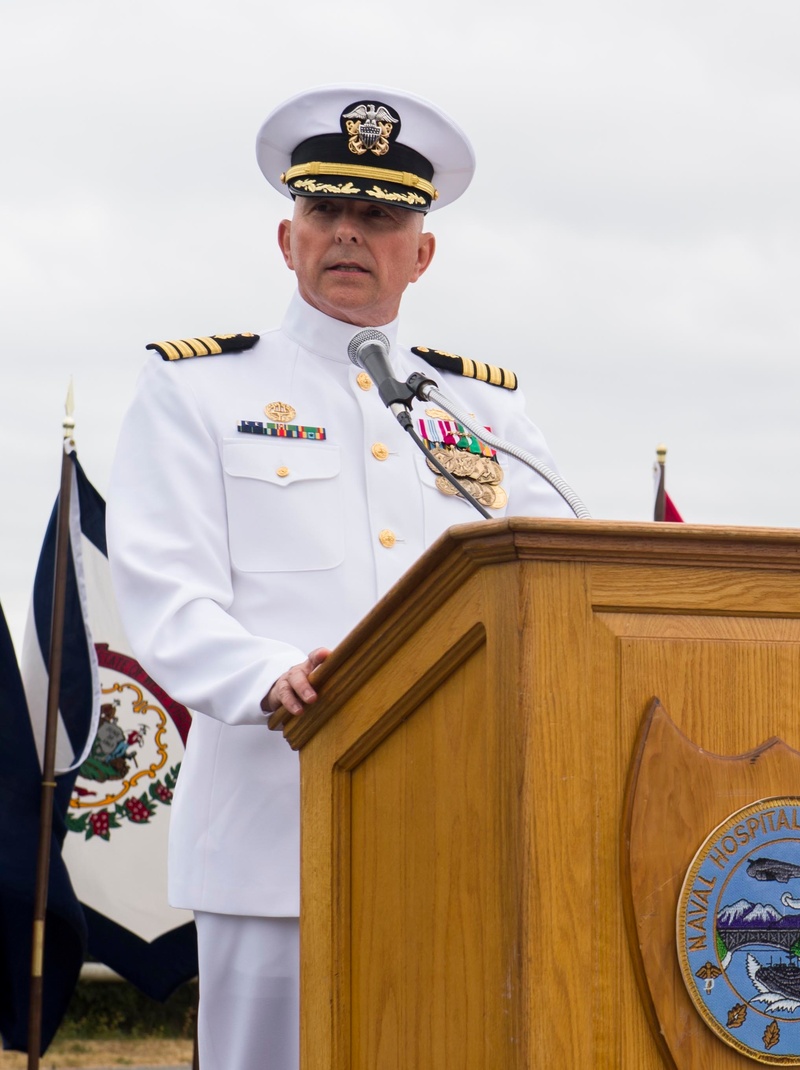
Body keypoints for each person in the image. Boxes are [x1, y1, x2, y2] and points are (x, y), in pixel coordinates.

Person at [106, 84, 572, 1070]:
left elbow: (558, 567)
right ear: (288, 239)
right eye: (326, 212)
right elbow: (167, 588)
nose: (349, 234)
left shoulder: (478, 412)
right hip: (277, 824)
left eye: (379, 216)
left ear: (422, 251)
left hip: (461, 828)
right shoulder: (200, 388)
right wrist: (268, 672)